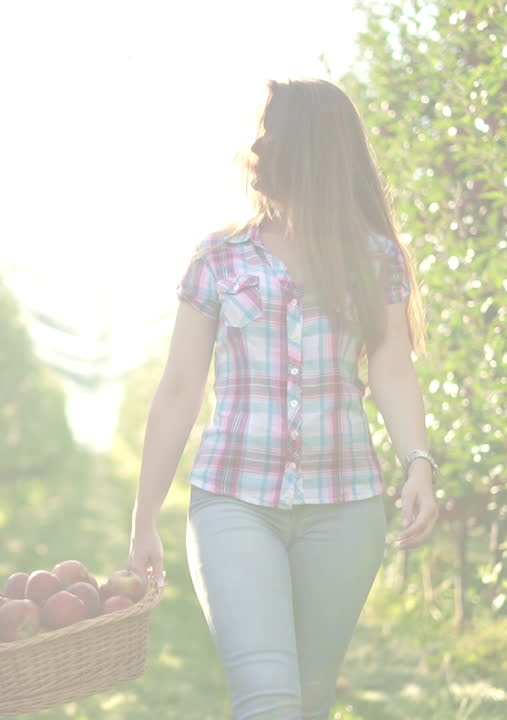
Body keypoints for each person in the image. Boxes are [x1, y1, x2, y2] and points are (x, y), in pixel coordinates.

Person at [127, 78, 438, 719]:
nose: (257, 145)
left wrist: (418, 463)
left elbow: (392, 371)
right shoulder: (218, 257)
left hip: (345, 506)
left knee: (312, 698)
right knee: (269, 700)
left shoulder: (373, 258)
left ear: (311, 148)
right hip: (234, 502)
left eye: (273, 132)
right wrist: (144, 518)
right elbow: (181, 389)